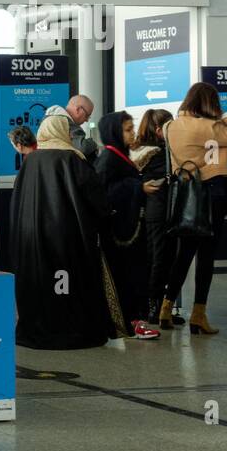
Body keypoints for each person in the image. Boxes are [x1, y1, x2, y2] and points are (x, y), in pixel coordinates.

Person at [9, 114, 124, 350]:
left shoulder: (30, 161)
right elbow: (96, 200)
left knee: (43, 284)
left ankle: (40, 327)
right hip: (68, 239)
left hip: (35, 240)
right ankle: (70, 329)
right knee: (69, 285)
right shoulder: (73, 159)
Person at [162, 82, 227, 334]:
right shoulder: (211, 126)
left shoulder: (169, 126)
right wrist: (225, 114)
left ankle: (165, 309)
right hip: (213, 194)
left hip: (184, 194)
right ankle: (198, 315)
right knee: (206, 256)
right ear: (210, 102)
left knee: (184, 253)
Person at [94, 111, 162, 340]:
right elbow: (104, 192)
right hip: (119, 233)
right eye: (127, 129)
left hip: (127, 229)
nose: (133, 133)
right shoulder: (109, 159)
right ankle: (130, 321)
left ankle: (131, 320)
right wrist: (138, 188)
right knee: (127, 277)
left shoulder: (119, 156)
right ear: (114, 132)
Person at [131, 108, 181, 328]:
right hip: (162, 211)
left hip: (150, 213)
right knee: (161, 260)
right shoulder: (160, 153)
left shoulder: (138, 150)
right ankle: (156, 308)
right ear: (160, 129)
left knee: (155, 259)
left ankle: (154, 307)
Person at [45, 95, 97, 161]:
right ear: (78, 109)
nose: (87, 120)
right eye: (87, 115)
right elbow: (82, 148)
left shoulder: (47, 120)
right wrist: (93, 143)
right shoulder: (68, 124)